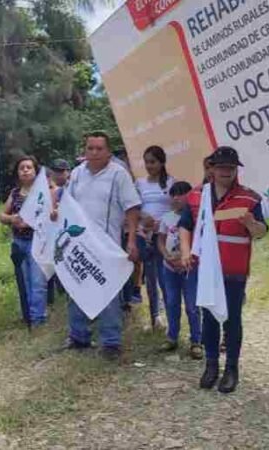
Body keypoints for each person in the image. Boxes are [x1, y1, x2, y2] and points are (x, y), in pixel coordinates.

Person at [179, 146, 268, 393]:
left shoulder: (249, 199)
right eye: (221, 167)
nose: (226, 172)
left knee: (231, 320)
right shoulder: (197, 196)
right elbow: (185, 225)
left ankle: (231, 368)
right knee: (208, 318)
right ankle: (210, 365)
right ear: (212, 169)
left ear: (236, 170)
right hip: (205, 270)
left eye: (230, 168)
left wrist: (251, 224)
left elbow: (262, 232)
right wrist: (186, 252)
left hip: (233, 270)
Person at [58, 131, 141, 361]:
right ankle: (78, 336)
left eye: (99, 149)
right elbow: (67, 204)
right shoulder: (76, 174)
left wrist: (132, 240)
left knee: (108, 293)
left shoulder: (119, 175)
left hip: (107, 246)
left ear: (108, 151)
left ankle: (111, 341)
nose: (93, 153)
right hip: (79, 244)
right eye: (90, 148)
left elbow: (132, 208)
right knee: (75, 288)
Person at [0, 155, 49, 328]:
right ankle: (27, 316)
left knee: (38, 282)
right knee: (24, 281)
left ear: (36, 170)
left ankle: (38, 319)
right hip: (19, 242)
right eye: (22, 168)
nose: (25, 170)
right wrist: (13, 219)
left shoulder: (44, 192)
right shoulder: (15, 193)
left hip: (39, 242)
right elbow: (2, 216)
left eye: (29, 167)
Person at [158, 181, 202, 359]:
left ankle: (196, 341)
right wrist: (166, 255)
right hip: (169, 268)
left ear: (190, 196)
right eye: (173, 194)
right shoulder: (166, 218)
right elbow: (160, 239)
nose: (176, 198)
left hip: (190, 267)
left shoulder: (194, 217)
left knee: (192, 306)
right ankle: (172, 337)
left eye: (181, 194)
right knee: (171, 302)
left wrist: (186, 257)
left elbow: (197, 242)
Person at [136, 145, 174, 330]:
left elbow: (176, 208)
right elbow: (134, 207)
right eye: (147, 162)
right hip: (145, 235)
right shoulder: (140, 184)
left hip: (164, 235)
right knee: (150, 278)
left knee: (164, 276)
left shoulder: (170, 183)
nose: (149, 166)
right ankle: (155, 317)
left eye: (153, 162)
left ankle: (171, 317)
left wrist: (163, 223)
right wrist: (143, 218)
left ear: (162, 162)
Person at [46, 158, 70, 306]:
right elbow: (51, 211)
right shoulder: (57, 192)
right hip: (60, 234)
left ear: (68, 172)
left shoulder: (76, 186)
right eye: (56, 172)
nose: (59, 175)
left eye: (62, 171)